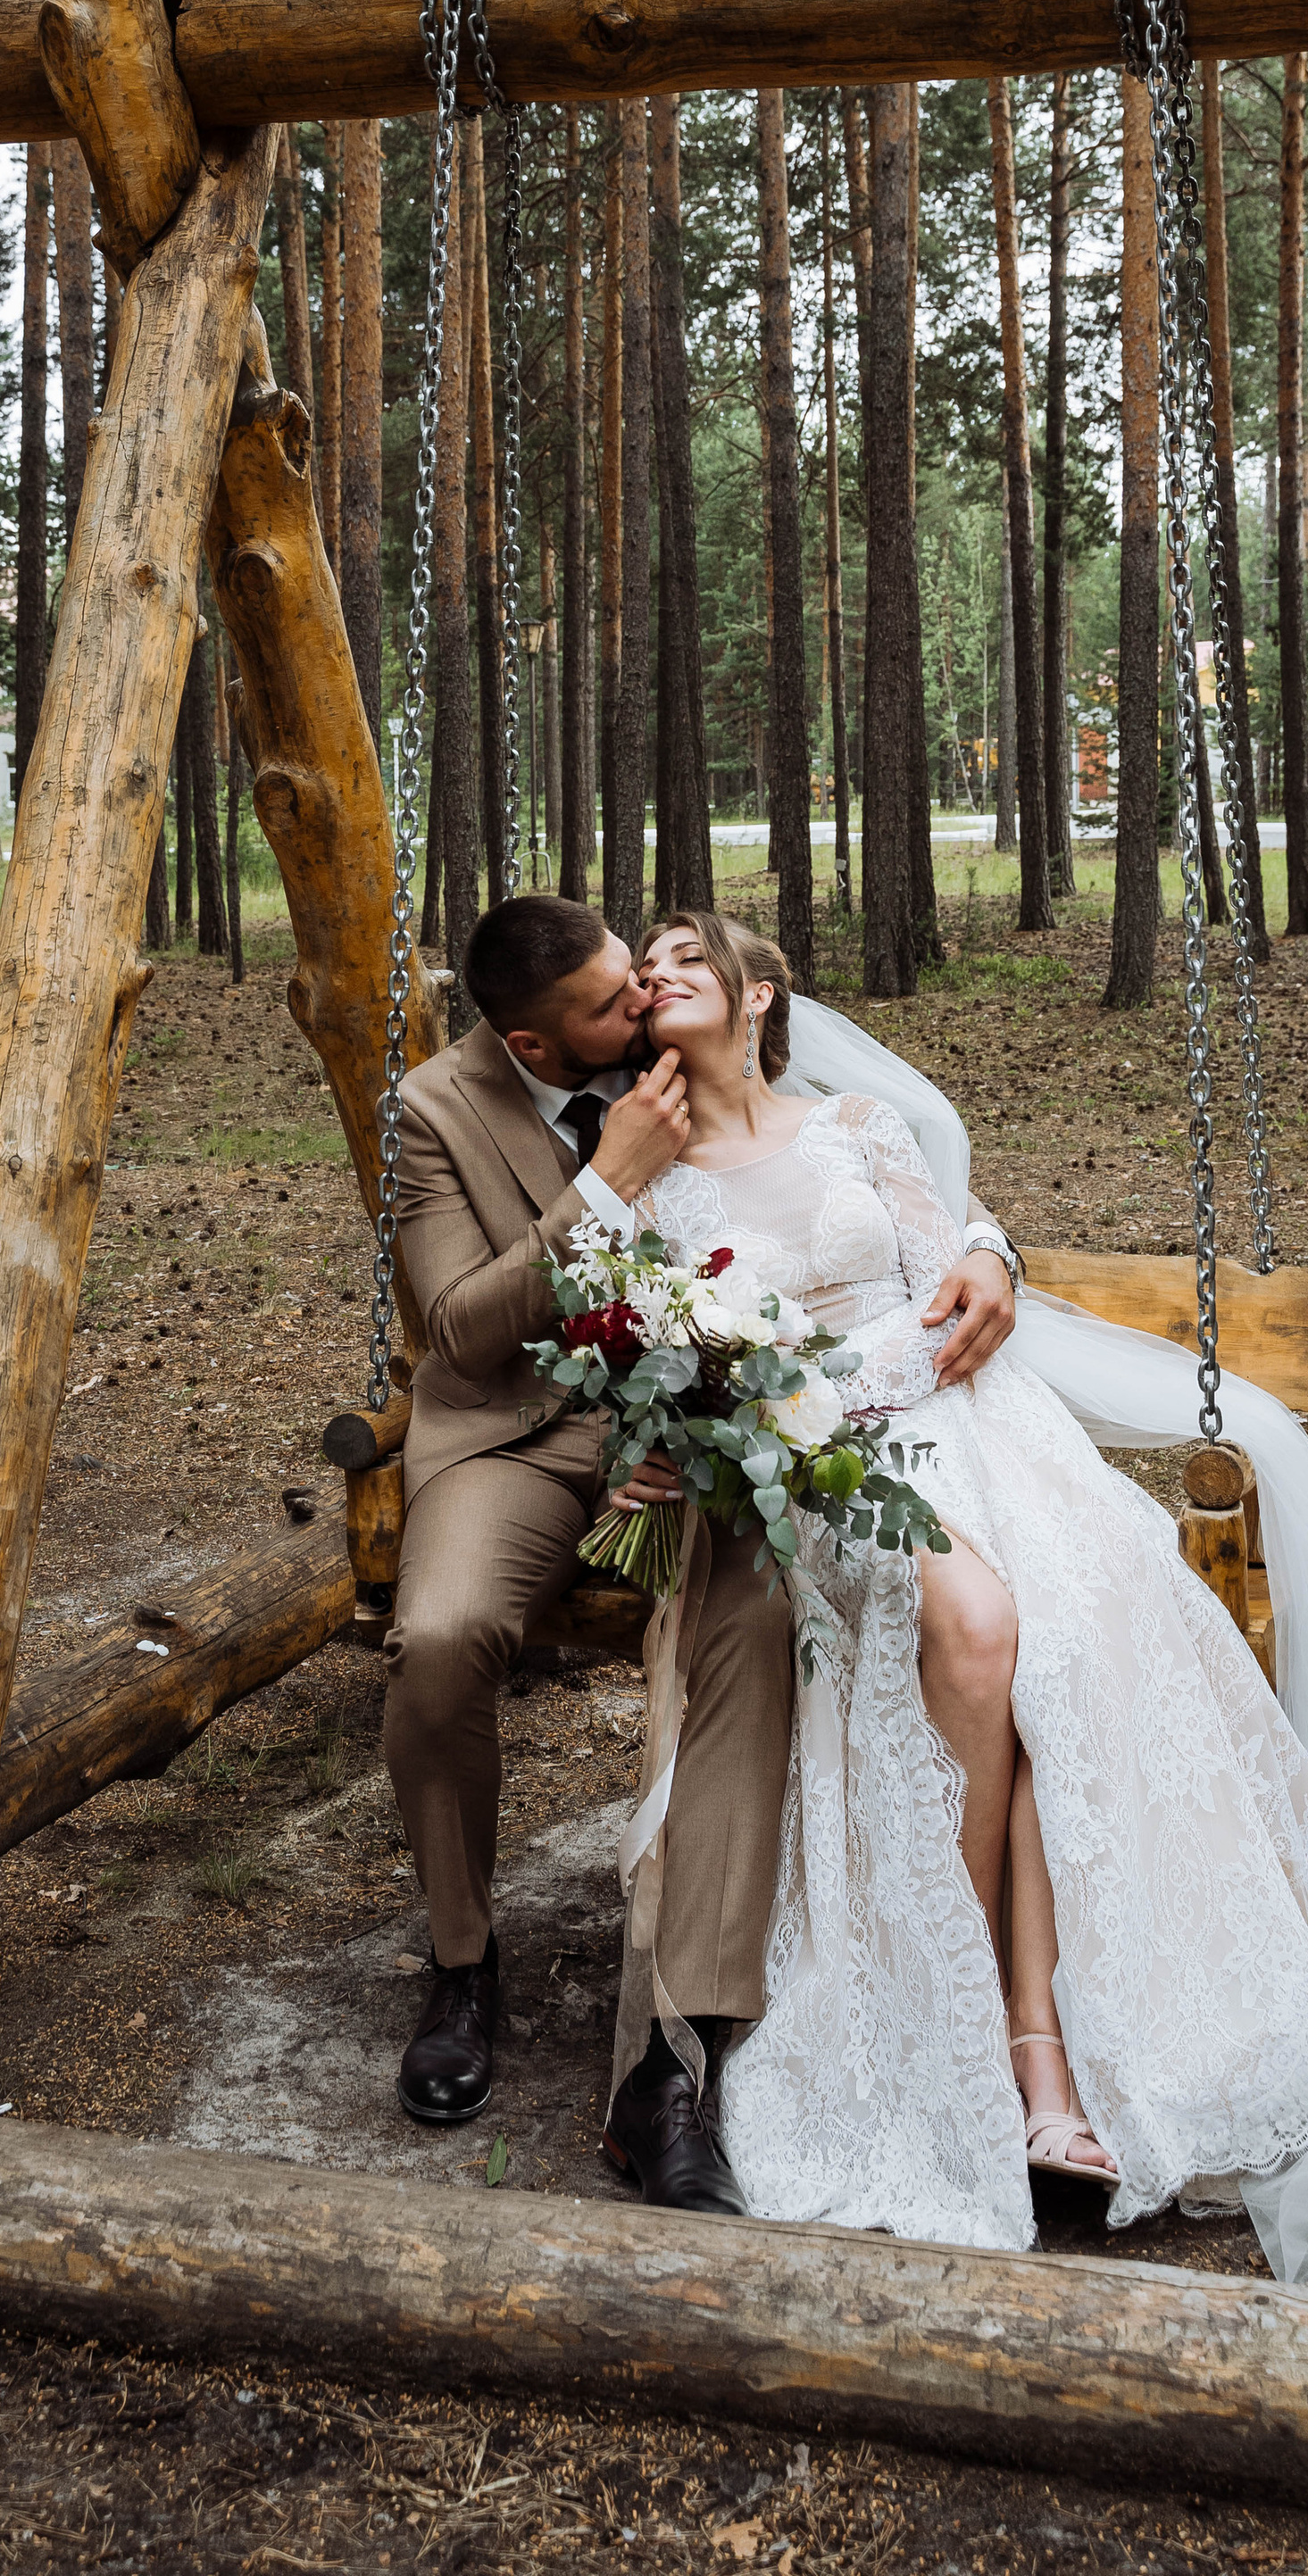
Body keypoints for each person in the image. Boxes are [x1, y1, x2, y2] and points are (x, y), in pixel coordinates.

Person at [624, 910, 1308, 2288]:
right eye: (644, 966)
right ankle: (983, 2047)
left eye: (685, 958)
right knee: (983, 1624)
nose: (656, 976)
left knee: (1067, 1636)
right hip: (822, 1469)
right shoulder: (654, 1176)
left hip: (976, 1422)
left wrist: (990, 1254)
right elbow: (661, 1358)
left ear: (763, 996)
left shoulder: (861, 1129)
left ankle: (1046, 2049)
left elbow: (951, 1251)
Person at [381, 893, 1022, 2212]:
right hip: (518, 1436)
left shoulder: (676, 1049)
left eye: (639, 975)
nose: (642, 1006)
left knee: (756, 1622)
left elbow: (852, 1170)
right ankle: (461, 1961)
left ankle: (679, 2054)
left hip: (692, 1435)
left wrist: (985, 1242)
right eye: (614, 1004)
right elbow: (462, 1332)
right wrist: (605, 1181)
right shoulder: (439, 1112)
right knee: (442, 1639)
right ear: (540, 1049)